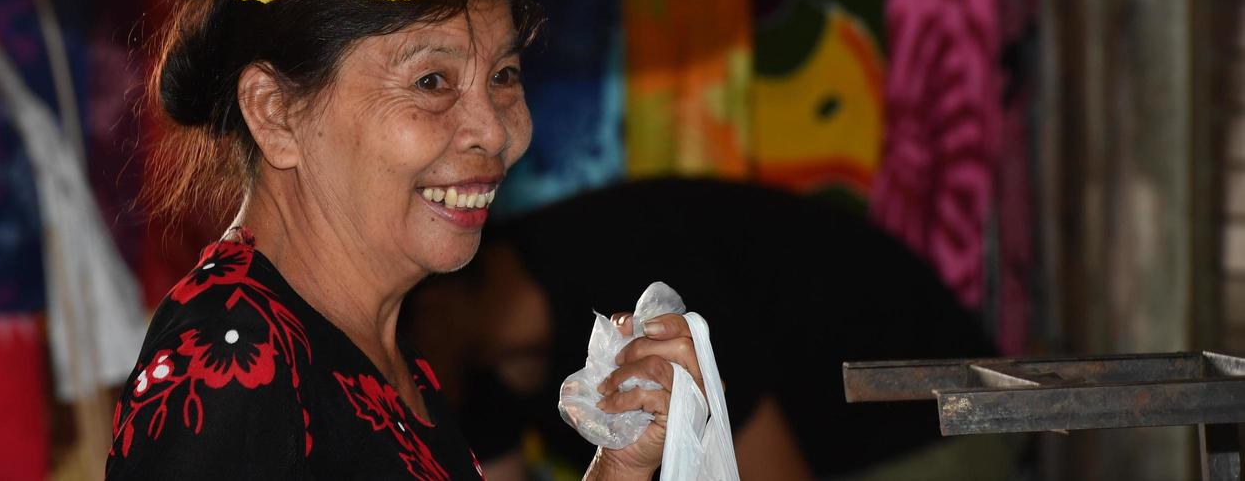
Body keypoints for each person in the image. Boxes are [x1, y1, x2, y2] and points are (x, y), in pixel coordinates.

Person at [106, 0, 711, 480]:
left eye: (503, 75)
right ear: (276, 113)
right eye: (431, 82)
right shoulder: (229, 366)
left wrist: (620, 463)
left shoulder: (375, 350)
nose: (496, 132)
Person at [405, 178, 1018, 481]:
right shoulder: (469, 381)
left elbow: (771, 470)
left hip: (937, 422)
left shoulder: (629, 276)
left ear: (427, 302)